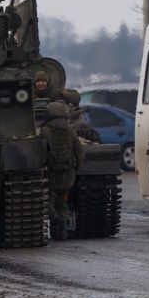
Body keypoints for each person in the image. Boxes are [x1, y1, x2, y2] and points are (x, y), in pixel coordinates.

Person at [41, 101, 85, 240]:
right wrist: (77, 166)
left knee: (49, 199)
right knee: (63, 200)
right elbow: (79, 149)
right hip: (68, 172)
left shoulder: (45, 130)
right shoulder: (69, 129)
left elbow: (41, 151)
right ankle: (61, 231)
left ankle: (53, 219)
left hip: (52, 172)